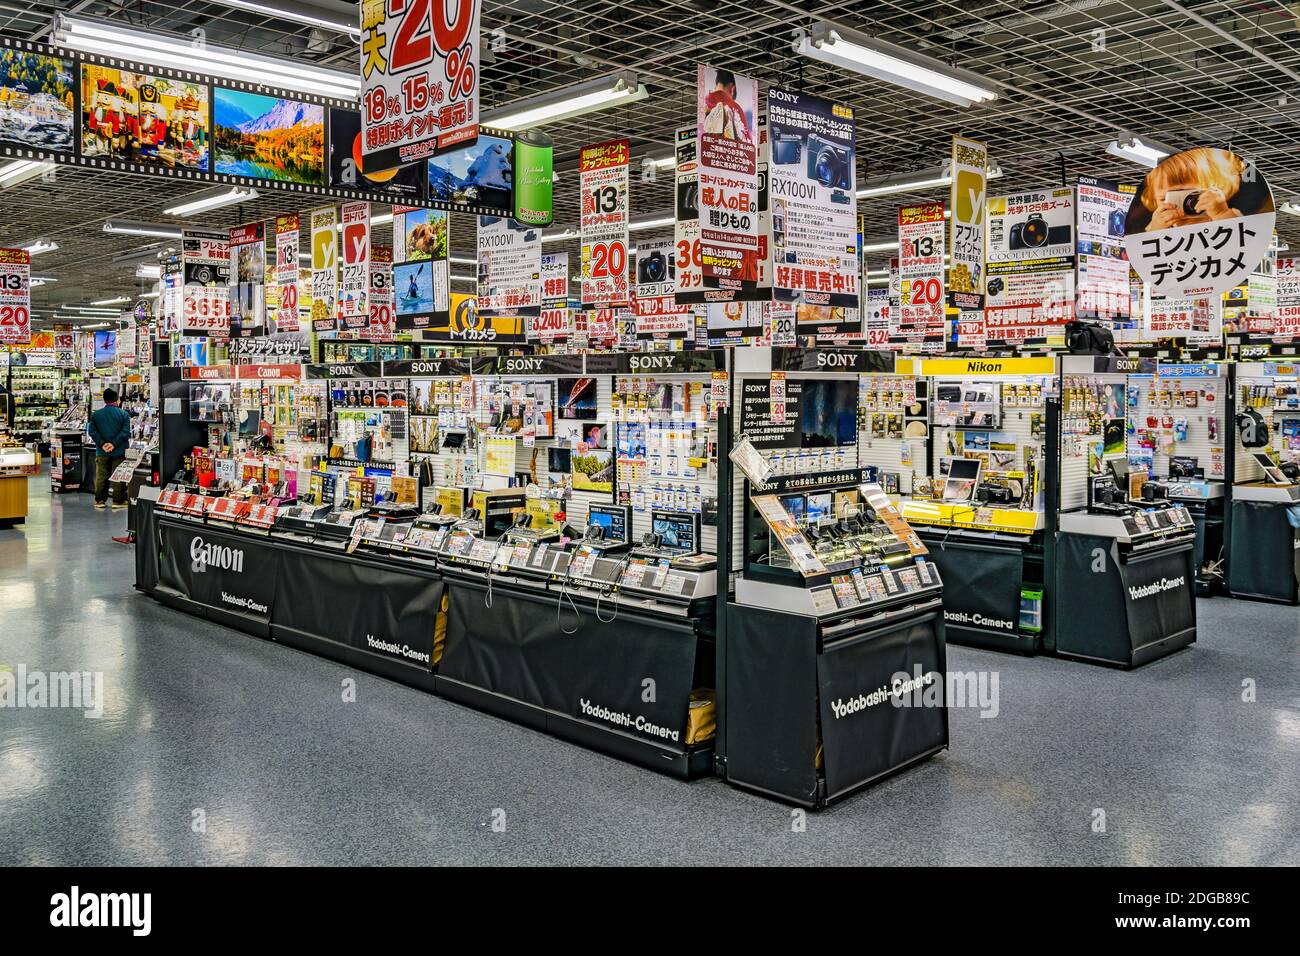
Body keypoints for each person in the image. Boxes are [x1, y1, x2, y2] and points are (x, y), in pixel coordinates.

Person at [87, 388, 132, 511]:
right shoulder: (124, 414)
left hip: (101, 451)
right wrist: (113, 444)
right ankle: (118, 500)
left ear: (104, 400)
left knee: (102, 475)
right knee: (119, 475)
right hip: (119, 450)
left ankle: (100, 500)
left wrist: (102, 444)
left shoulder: (96, 415)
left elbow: (92, 432)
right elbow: (126, 432)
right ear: (117, 399)